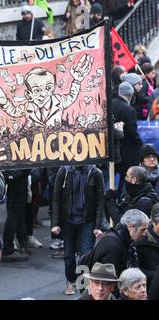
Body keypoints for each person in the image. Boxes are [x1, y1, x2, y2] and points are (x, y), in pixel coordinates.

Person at [0, 54, 93, 129]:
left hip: (56, 146)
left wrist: (77, 80)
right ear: (28, 94)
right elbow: (14, 111)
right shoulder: (28, 106)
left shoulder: (58, 100)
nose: (43, 94)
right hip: (34, 146)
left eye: (48, 88)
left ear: (53, 88)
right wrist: (3, 101)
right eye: (37, 90)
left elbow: (71, 97)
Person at [51, 165, 105, 295]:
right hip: (67, 220)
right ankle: (70, 281)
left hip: (88, 220)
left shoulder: (95, 172)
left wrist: (98, 225)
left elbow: (100, 201)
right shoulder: (64, 171)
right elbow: (56, 199)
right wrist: (55, 223)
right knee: (69, 255)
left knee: (86, 254)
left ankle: (83, 283)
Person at [86, 209, 149, 277]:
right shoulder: (113, 246)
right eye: (142, 230)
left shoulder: (126, 240)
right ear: (130, 227)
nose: (144, 234)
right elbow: (107, 280)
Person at [112, 82, 143, 194]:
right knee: (127, 177)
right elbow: (132, 132)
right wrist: (140, 144)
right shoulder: (129, 110)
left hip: (111, 149)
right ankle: (122, 199)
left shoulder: (110, 104)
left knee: (110, 177)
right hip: (127, 150)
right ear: (130, 95)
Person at [1, 169, 31, 262]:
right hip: (18, 176)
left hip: (17, 176)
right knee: (14, 214)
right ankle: (8, 249)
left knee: (18, 213)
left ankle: (22, 244)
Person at [136, 204, 159, 287]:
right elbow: (136, 269)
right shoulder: (140, 240)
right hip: (149, 287)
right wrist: (156, 276)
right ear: (153, 222)